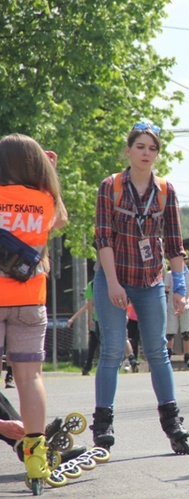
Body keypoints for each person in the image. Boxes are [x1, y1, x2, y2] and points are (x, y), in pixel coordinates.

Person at [92, 122, 189, 455]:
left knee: (158, 351)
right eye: (140, 147)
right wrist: (113, 284)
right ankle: (103, 423)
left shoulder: (166, 190)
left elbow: (175, 244)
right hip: (113, 276)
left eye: (152, 148)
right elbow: (103, 238)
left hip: (150, 280)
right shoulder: (111, 186)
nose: (146, 153)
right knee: (113, 350)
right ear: (128, 150)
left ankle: (172, 420)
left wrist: (178, 287)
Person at [0, 133, 68, 485]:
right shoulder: (44, 200)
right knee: (30, 378)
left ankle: (5, 429)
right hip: (31, 300)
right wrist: (49, 172)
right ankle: (36, 460)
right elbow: (60, 220)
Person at [164, 255, 189, 369]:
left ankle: (187, 356)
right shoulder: (170, 274)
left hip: (186, 306)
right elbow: (165, 289)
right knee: (170, 333)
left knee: (186, 333)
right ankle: (168, 355)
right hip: (172, 307)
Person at [67, 281, 99, 376]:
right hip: (100, 320)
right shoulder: (95, 284)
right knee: (95, 345)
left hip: (96, 320)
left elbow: (89, 304)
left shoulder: (92, 284)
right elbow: (88, 305)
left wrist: (89, 319)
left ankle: (87, 367)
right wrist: (73, 319)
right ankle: (88, 367)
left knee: (93, 345)